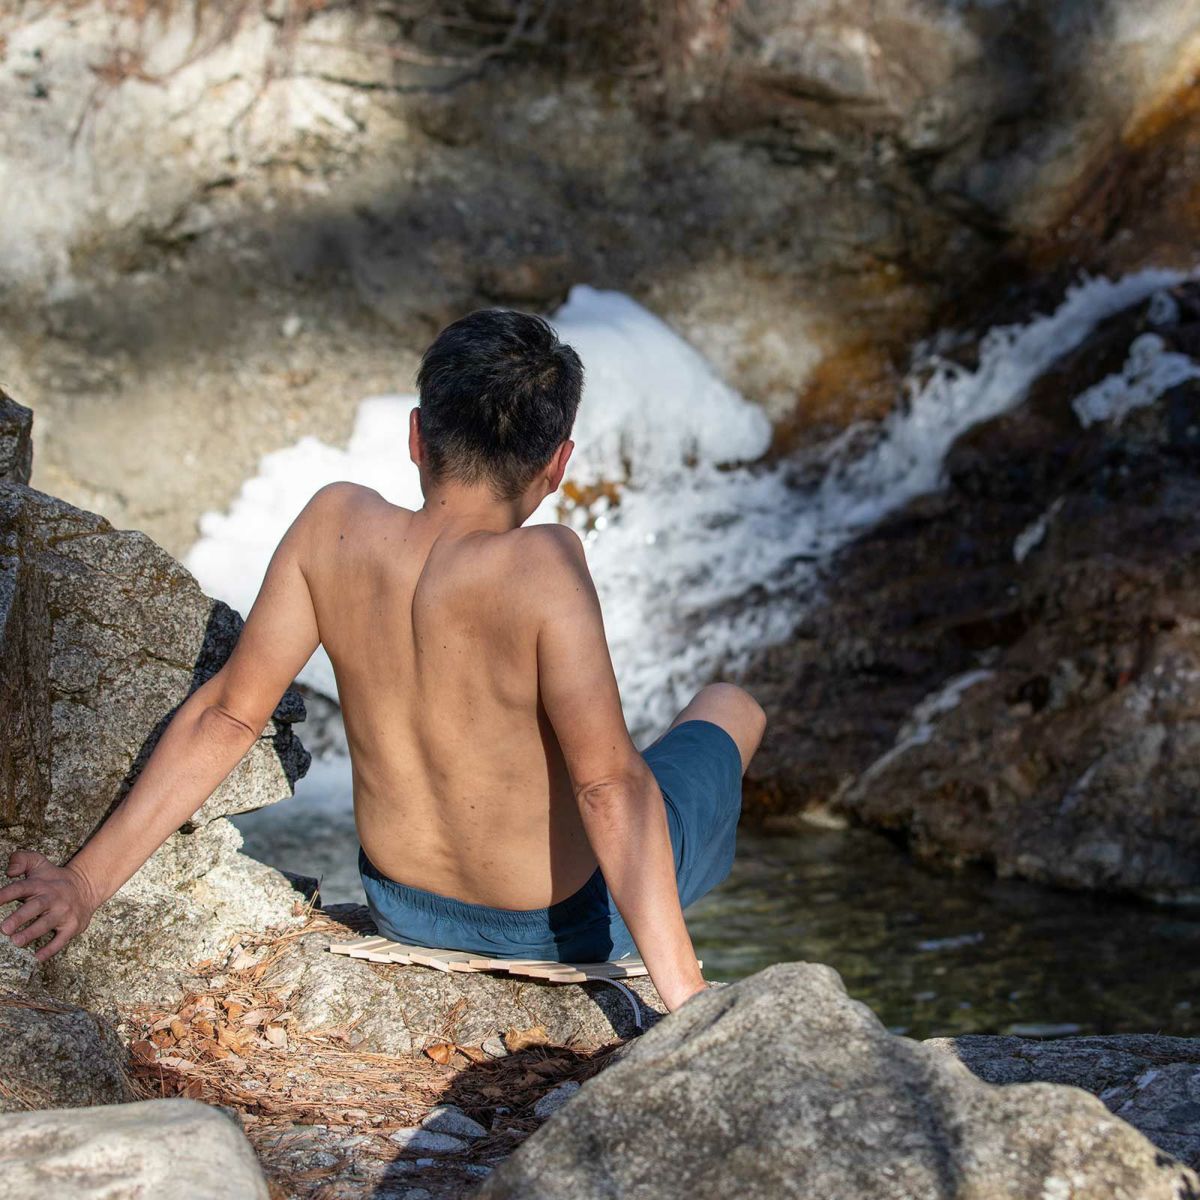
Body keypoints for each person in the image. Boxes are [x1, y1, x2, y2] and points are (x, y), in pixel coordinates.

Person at [0, 309, 765, 1013]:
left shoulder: (333, 526)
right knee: (730, 708)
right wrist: (689, 1000)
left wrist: (85, 883)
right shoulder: (544, 563)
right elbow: (605, 786)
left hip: (407, 905)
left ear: (416, 437)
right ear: (557, 464)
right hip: (558, 925)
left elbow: (230, 715)